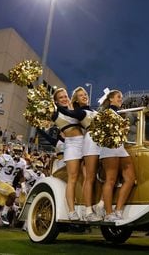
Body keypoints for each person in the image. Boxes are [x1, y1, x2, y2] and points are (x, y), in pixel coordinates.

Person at [98, 90, 136, 222]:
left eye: (121, 97)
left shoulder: (119, 113)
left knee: (130, 179)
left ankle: (118, 210)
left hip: (120, 148)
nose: (121, 99)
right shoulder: (107, 113)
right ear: (111, 99)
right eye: (118, 97)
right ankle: (108, 213)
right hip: (109, 148)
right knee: (111, 180)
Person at [51, 88, 85, 220]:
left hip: (86, 145)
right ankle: (71, 211)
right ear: (56, 101)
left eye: (66, 96)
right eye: (61, 97)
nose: (65, 99)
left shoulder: (75, 109)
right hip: (72, 145)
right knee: (73, 178)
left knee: (88, 177)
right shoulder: (56, 113)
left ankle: (87, 208)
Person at [71, 87, 102, 222]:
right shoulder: (78, 112)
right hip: (91, 141)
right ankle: (87, 210)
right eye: (81, 95)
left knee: (104, 176)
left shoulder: (95, 111)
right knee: (90, 178)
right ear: (76, 99)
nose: (84, 96)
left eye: (85, 94)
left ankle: (100, 204)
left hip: (102, 141)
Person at [0, 144, 26, 231]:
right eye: (16, 151)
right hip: (0, 182)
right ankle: (4, 214)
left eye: (20, 152)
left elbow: (21, 175)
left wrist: (23, 186)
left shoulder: (22, 162)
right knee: (13, 194)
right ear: (12, 151)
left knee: (0, 204)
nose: (18, 153)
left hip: (8, 184)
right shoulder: (6, 158)